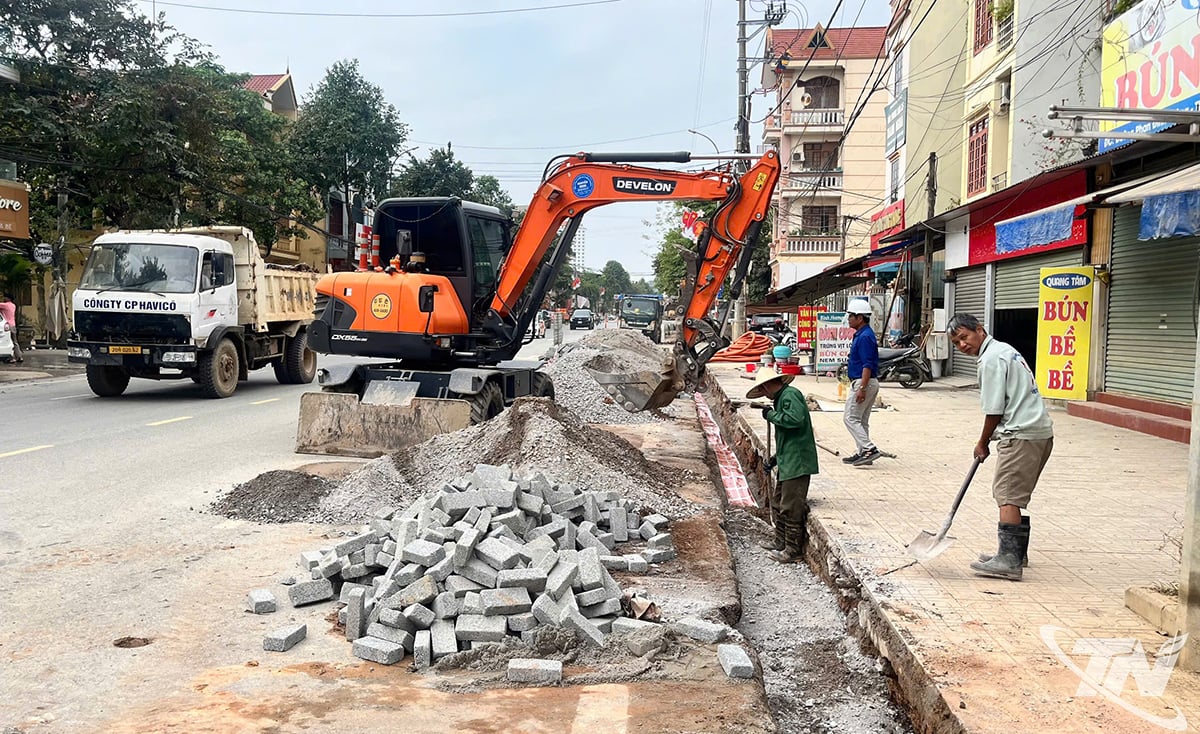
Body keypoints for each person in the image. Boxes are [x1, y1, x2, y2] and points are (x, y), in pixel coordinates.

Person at [947, 313, 1053, 581]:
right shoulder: (1004, 349)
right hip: (1038, 432)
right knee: (1015, 493)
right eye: (957, 343)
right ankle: (1016, 553)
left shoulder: (991, 360)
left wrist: (982, 442)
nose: (962, 345)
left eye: (964, 337)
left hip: (1021, 434)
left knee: (1007, 494)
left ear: (979, 330)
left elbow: (994, 409)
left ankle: (1008, 560)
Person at [747, 366, 819, 564]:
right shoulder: (781, 399)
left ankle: (792, 550)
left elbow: (795, 420)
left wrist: (771, 416)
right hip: (789, 459)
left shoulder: (790, 395)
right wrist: (776, 458)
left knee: (791, 506)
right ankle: (780, 541)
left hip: (798, 461)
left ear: (770, 385)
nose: (764, 394)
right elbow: (787, 438)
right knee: (778, 502)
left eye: (763, 389)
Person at [842, 298, 880, 466]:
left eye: (851, 316)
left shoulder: (864, 337)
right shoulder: (863, 334)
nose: (849, 319)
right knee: (861, 420)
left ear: (860, 318)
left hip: (864, 382)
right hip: (867, 382)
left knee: (850, 418)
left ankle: (869, 448)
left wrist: (862, 388)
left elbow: (867, 365)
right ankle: (863, 453)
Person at [0, 293, 23, 363]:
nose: (4, 298)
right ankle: (19, 356)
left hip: (7, 326)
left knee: (8, 342)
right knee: (15, 342)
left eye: (5, 297)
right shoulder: (13, 305)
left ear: (8, 298)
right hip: (13, 325)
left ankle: (11, 357)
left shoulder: (5, 305)